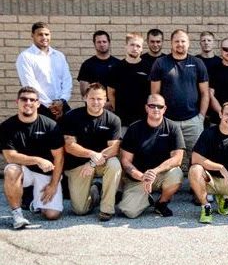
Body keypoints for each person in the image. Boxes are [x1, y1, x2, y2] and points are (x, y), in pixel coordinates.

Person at [1, 87, 64, 229]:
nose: (28, 102)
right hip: (24, 171)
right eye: (24, 99)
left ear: (38, 104)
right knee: (11, 170)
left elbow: (59, 158)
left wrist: (53, 185)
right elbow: (10, 156)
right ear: (17, 101)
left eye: (32, 100)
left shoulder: (50, 125)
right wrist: (38, 160)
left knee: (52, 214)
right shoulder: (7, 126)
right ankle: (17, 215)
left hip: (46, 172)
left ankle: (34, 202)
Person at [117, 94, 185, 218]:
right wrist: (142, 176)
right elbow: (126, 161)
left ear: (164, 109)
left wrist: (154, 171)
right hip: (138, 177)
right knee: (129, 212)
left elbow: (177, 159)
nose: (156, 109)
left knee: (176, 173)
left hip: (160, 174)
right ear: (146, 108)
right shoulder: (134, 128)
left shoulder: (173, 128)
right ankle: (147, 199)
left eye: (160, 106)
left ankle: (162, 203)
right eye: (152, 106)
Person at [150, 29, 209, 171]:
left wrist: (201, 117)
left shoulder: (197, 63)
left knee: (198, 156)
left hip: (193, 120)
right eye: (176, 41)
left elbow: (205, 93)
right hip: (168, 121)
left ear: (188, 44)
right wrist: (159, 116)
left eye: (183, 41)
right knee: (166, 156)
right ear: (171, 43)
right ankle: (167, 185)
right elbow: (155, 94)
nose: (180, 44)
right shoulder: (160, 63)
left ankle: (196, 187)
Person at [62, 83, 122, 221]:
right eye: (92, 98)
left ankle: (107, 208)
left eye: (100, 99)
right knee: (80, 210)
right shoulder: (72, 117)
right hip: (77, 164)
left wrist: (93, 162)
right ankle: (96, 190)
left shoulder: (113, 119)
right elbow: (70, 146)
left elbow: (114, 148)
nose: (96, 102)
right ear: (85, 98)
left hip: (100, 162)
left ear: (105, 99)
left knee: (114, 164)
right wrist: (91, 154)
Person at [16, 21, 72, 121]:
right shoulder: (25, 57)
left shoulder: (59, 56)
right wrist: (50, 105)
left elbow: (67, 80)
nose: (44, 37)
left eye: (46, 34)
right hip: (40, 107)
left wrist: (62, 101)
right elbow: (30, 84)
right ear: (32, 36)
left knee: (69, 135)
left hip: (62, 106)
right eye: (40, 34)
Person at [108, 32, 153, 130]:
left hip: (144, 120)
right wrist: (118, 110)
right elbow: (110, 93)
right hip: (122, 121)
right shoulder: (116, 68)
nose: (135, 48)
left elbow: (152, 93)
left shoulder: (148, 67)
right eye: (132, 45)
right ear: (126, 46)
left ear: (142, 49)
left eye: (138, 46)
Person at [77, 30, 120, 97]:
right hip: (95, 105)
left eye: (104, 42)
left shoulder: (118, 64)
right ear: (94, 44)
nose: (102, 44)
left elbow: (123, 88)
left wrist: (111, 103)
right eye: (99, 42)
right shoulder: (87, 65)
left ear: (109, 43)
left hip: (114, 106)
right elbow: (84, 93)